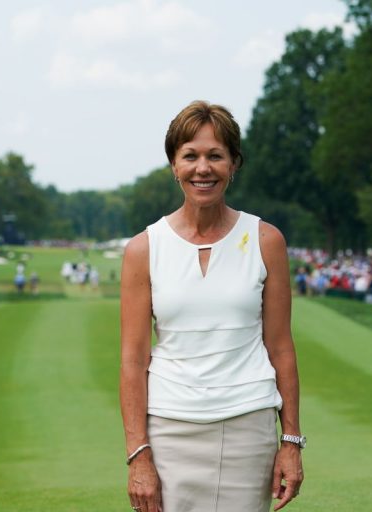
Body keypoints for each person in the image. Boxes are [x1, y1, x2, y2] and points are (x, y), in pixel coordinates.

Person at [120, 101, 304, 512]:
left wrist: (290, 441)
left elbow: (281, 348)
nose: (203, 168)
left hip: (248, 425)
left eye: (215, 156)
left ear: (234, 164)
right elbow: (133, 360)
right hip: (169, 430)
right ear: (174, 164)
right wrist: (138, 455)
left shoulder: (265, 240)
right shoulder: (143, 249)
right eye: (190, 156)